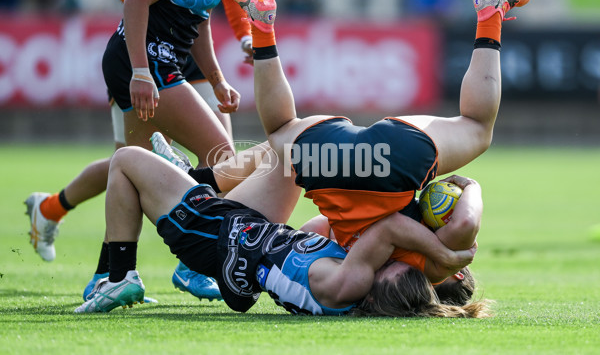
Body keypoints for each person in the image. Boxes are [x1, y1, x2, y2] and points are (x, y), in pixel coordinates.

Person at [223, 0, 529, 289]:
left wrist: (470, 186)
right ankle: (262, 30)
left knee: (477, 126)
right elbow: (312, 231)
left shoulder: (440, 262)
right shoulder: (362, 276)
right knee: (280, 128)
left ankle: (490, 14)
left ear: (459, 273)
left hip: (397, 160)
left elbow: (463, 222)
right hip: (330, 164)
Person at [24, 0, 252, 302]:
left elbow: (199, 19)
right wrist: (141, 72)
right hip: (146, 62)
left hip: (161, 61)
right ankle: (194, 263)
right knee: (221, 157)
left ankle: (109, 275)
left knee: (132, 171)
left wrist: (217, 80)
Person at [74, 145, 485, 317]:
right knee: (291, 152)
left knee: (126, 160)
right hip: (250, 235)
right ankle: (193, 178)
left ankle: (120, 275)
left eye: (387, 269)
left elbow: (390, 228)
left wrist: (446, 253)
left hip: (217, 236)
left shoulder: (348, 283)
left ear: (376, 288)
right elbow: (314, 229)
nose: (383, 263)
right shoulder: (353, 283)